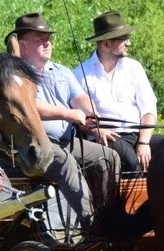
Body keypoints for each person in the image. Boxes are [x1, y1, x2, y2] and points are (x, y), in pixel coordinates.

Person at [8, 12, 120, 231]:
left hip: (66, 141)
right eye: (39, 38)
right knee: (65, 162)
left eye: (48, 37)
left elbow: (79, 98)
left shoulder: (61, 71)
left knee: (109, 156)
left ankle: (109, 215)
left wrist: (92, 118)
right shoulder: (15, 74)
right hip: (35, 146)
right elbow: (31, 107)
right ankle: (93, 225)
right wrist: (69, 115)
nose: (47, 42)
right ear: (23, 44)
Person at [74, 11, 160, 172]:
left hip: (139, 135)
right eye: (124, 39)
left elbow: (148, 109)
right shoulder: (79, 74)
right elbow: (78, 120)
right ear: (107, 43)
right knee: (132, 161)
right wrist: (96, 130)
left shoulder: (134, 68)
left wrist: (144, 142)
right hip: (107, 137)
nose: (129, 43)